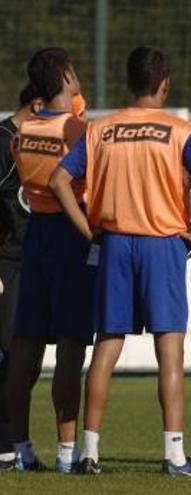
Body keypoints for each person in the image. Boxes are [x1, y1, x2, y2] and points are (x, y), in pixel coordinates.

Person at [49, 46, 191, 477]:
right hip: (163, 244)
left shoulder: (100, 129)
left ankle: (89, 453)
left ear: (129, 82)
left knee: (107, 346)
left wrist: (89, 229)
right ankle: (175, 455)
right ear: (164, 84)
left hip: (115, 244)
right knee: (170, 350)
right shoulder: (179, 129)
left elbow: (59, 180)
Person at [3, 48, 93, 473]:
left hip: (34, 237)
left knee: (25, 347)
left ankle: (21, 449)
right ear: (65, 76)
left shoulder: (23, 131)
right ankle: (65, 454)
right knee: (71, 348)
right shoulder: (76, 128)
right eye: (74, 76)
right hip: (68, 236)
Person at [0, 83, 41, 470]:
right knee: (8, 357)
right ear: (38, 104)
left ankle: (16, 447)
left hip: (36, 265)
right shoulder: (3, 141)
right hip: (7, 265)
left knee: (26, 362)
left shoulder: (40, 142)